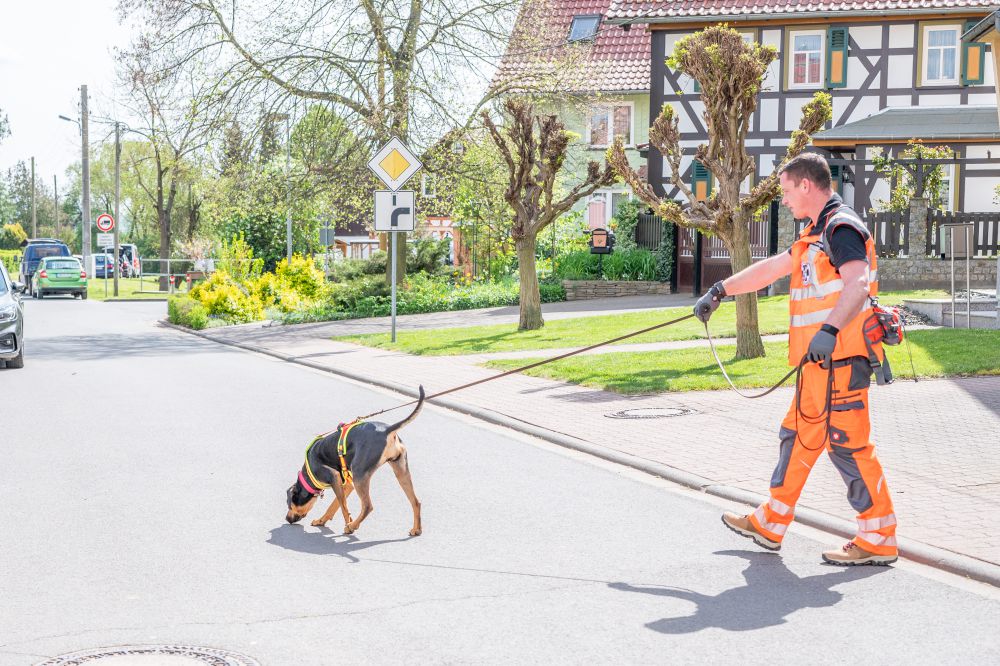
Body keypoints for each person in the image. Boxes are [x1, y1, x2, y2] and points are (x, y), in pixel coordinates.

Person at [694, 153, 898, 566]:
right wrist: (720, 290)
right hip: (820, 365)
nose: (783, 199)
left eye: (787, 191)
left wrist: (829, 331)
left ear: (807, 185)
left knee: (848, 447)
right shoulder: (814, 234)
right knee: (798, 439)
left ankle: (878, 538)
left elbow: (857, 285)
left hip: (840, 360)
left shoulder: (842, 228)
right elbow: (772, 268)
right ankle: (771, 522)